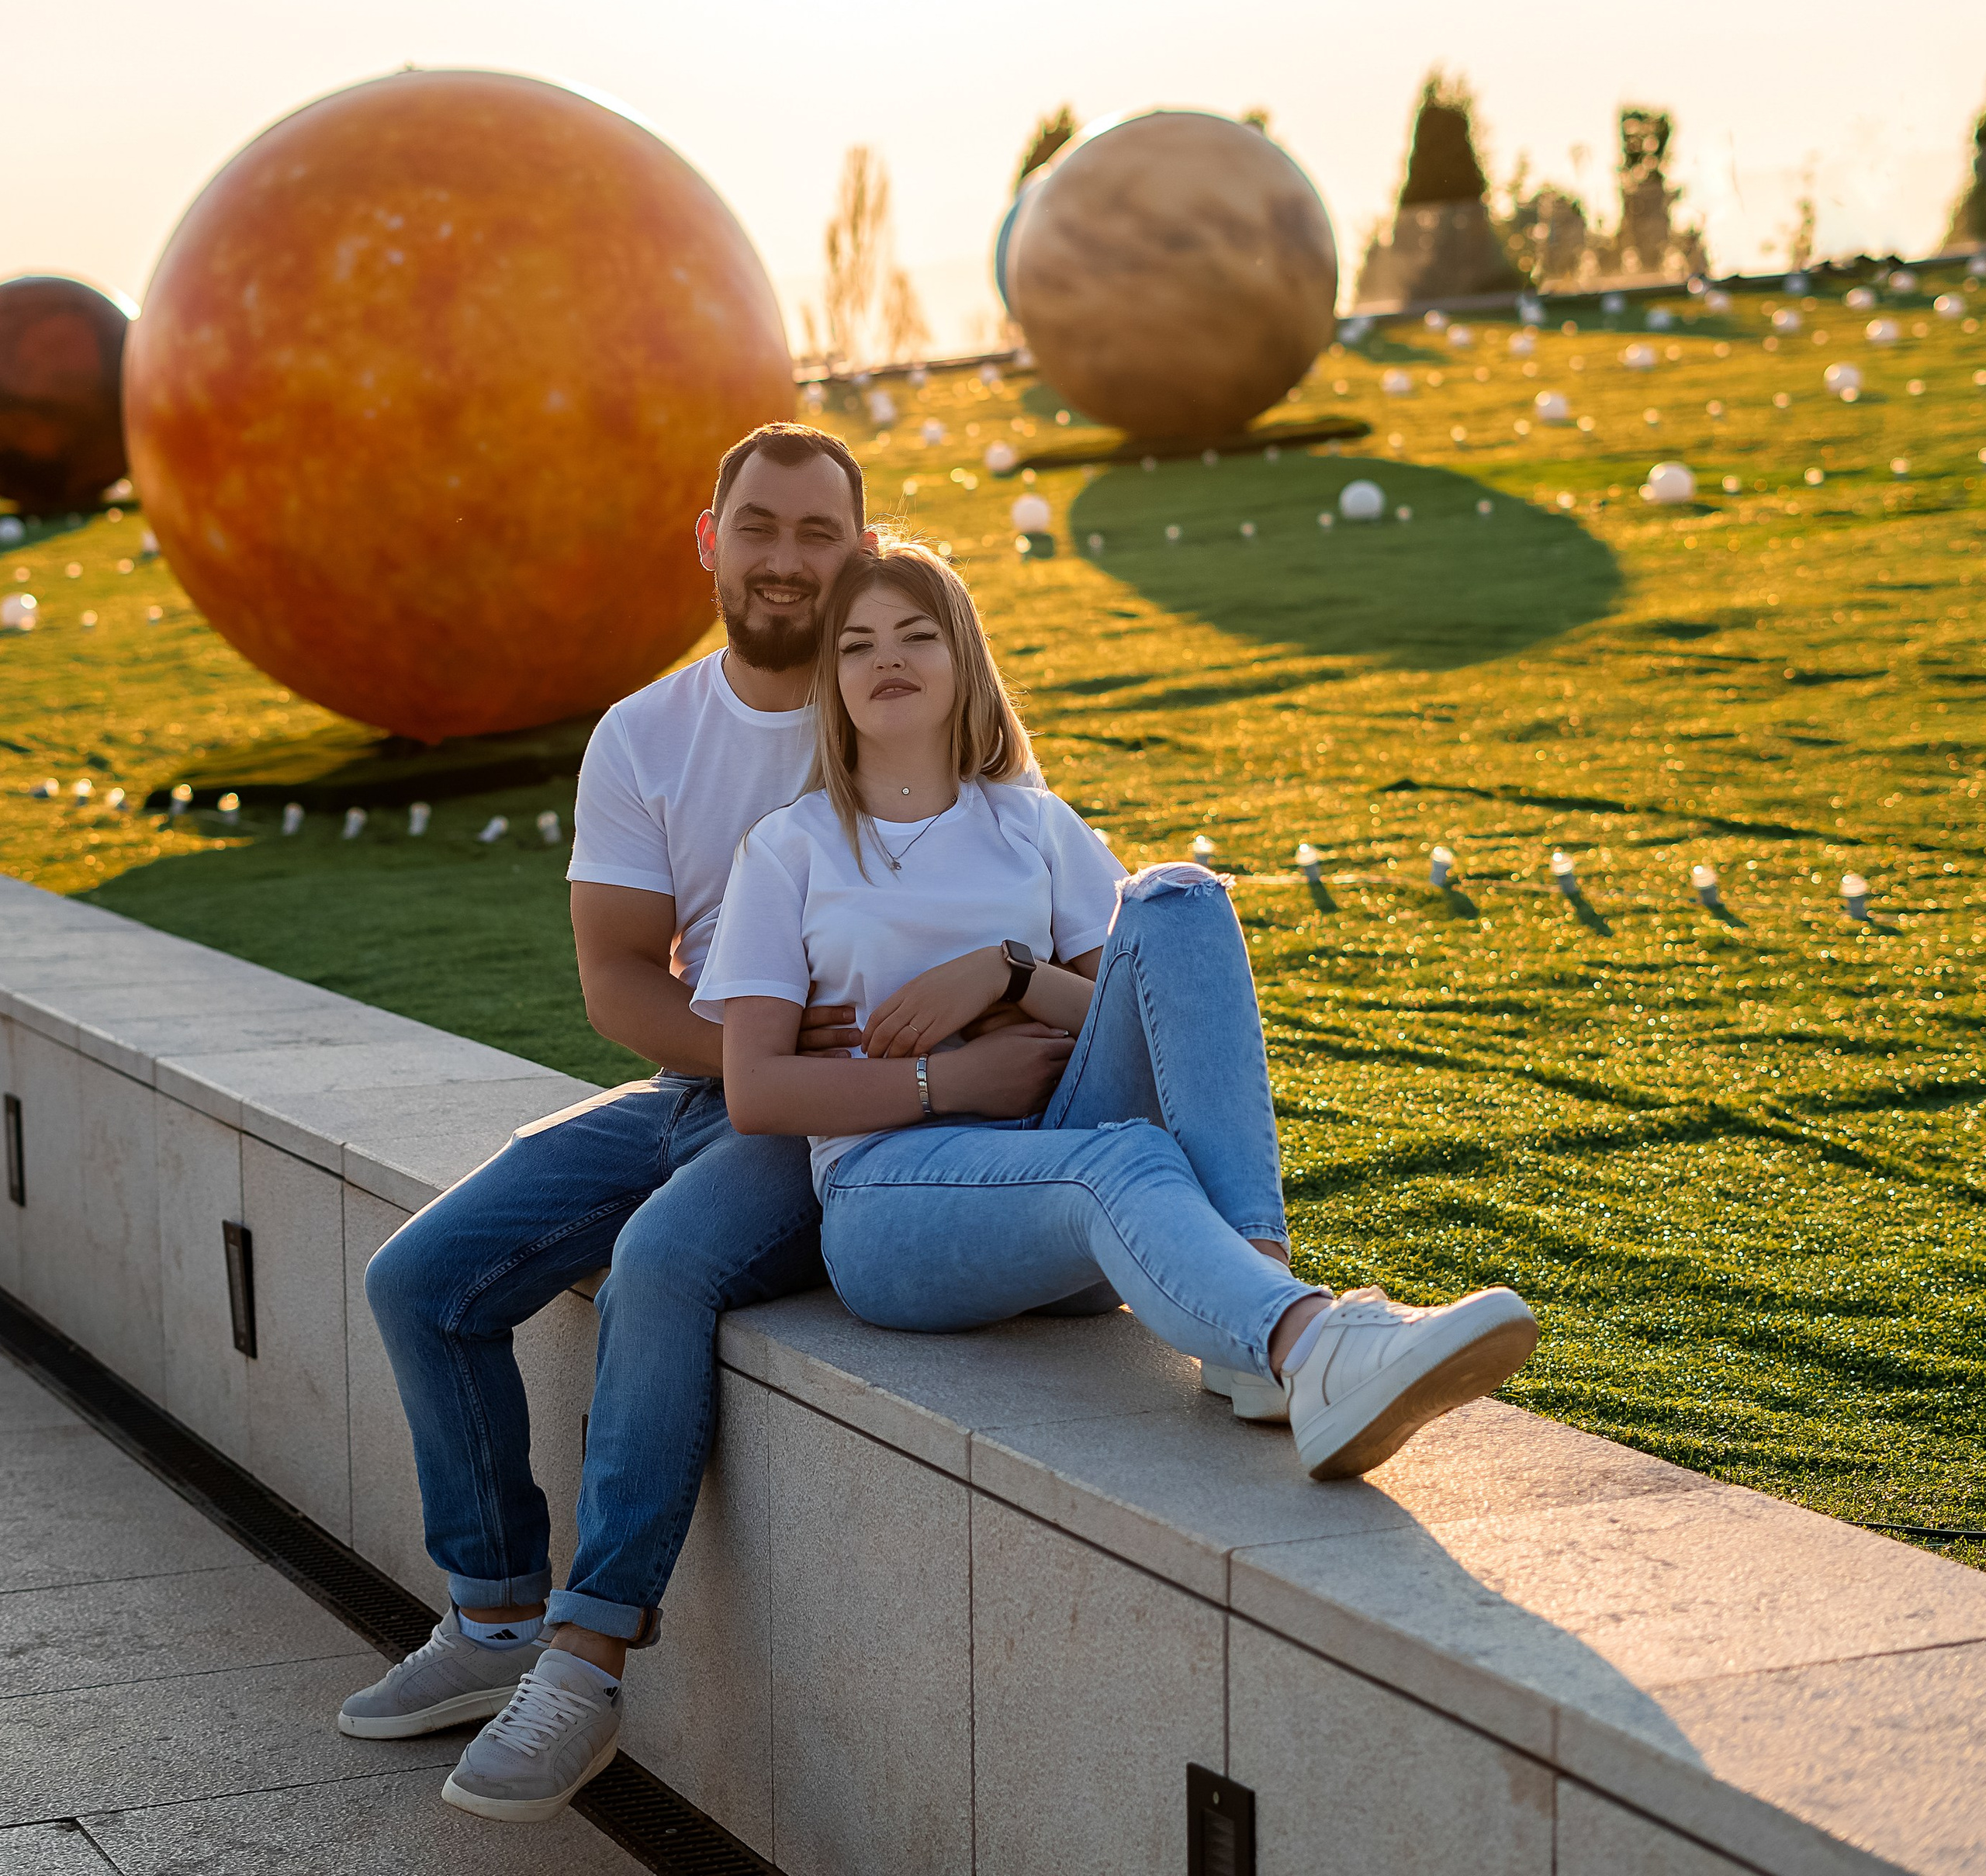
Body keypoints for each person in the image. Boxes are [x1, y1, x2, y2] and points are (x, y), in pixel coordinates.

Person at [337, 427, 1080, 1826]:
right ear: (710, 540)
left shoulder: (900, 710)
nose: (788, 558)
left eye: (820, 533)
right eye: (761, 527)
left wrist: (853, 1067)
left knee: (667, 1264)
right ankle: (493, 1613)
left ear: (861, 553)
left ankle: (587, 1653)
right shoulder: (649, 735)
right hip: (709, 1089)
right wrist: (751, 1056)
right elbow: (617, 973)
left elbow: (1034, 902)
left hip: (845, 1132)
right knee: (420, 1279)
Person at [694, 542, 1539, 1487]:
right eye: (856, 645)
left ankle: (1247, 1321)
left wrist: (1008, 975)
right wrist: (944, 1082)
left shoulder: (1031, 823)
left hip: (1062, 1150)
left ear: (962, 658)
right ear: (833, 680)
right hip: (892, 1205)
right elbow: (756, 1089)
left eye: (915, 634)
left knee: (1177, 894)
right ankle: (1306, 1338)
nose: (886, 658)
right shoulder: (786, 850)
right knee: (1126, 1158)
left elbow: (1140, 1017)